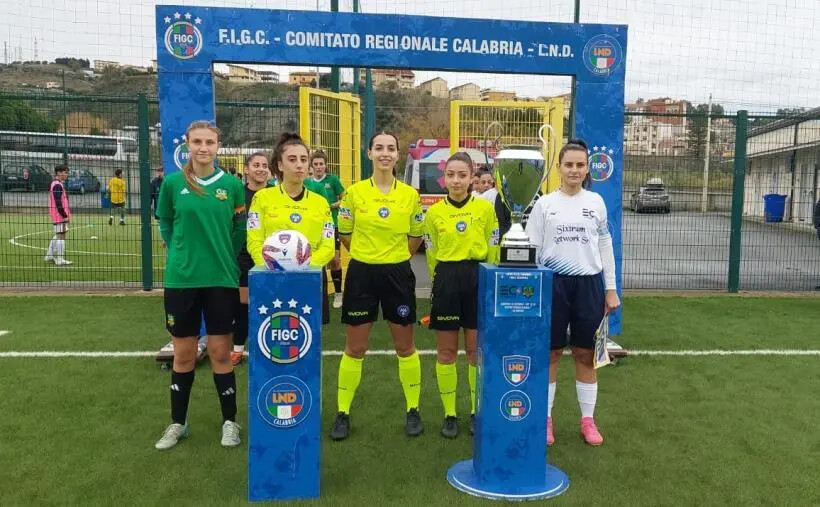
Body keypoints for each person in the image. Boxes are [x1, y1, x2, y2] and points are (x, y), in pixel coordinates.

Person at [154, 120, 246, 451]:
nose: (203, 148)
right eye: (197, 142)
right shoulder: (173, 183)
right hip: (181, 280)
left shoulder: (232, 186)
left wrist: (224, 255)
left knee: (221, 352)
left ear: (218, 146)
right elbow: (164, 220)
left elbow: (239, 230)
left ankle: (230, 422)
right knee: (183, 354)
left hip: (221, 279)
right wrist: (177, 249)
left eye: (209, 142)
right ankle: (177, 423)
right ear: (188, 145)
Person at [330, 132, 425, 441]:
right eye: (379, 148)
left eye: (391, 148)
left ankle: (413, 409)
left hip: (397, 274)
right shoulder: (354, 194)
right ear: (369, 153)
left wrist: (394, 258)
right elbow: (345, 233)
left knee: (404, 346)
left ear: (398, 155)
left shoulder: (410, 195)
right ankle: (342, 412)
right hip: (361, 274)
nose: (385, 153)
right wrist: (369, 255)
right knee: (355, 347)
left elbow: (415, 236)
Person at [525, 138, 620, 447]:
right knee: (550, 353)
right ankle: (545, 420)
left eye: (581, 165)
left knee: (585, 354)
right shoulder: (544, 204)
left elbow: (605, 245)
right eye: (569, 164)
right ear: (559, 168)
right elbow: (532, 248)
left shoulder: (596, 202)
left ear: (587, 168)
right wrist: (532, 290)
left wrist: (611, 289)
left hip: (589, 285)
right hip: (553, 284)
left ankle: (588, 421)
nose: (575, 170)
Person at [424, 152, 499, 438]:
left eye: (462, 175)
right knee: (446, 352)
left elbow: (494, 242)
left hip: (477, 277)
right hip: (447, 280)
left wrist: (489, 276)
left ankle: (475, 412)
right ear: (444, 178)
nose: (456, 180)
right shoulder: (434, 212)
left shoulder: (484, 209)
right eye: (451, 175)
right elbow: (431, 251)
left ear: (472, 178)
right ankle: (449, 414)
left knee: (473, 352)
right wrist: (438, 280)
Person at [246, 134, 335, 325]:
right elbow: (254, 241)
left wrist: (303, 270)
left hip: (309, 280)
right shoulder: (262, 198)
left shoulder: (320, 203)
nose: (299, 165)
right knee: (275, 340)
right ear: (279, 165)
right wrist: (274, 269)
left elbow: (327, 245)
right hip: (272, 280)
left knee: (307, 342)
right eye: (292, 159)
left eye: (304, 160)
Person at [231, 152, 273, 366]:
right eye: (256, 165)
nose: (261, 168)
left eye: (264, 165)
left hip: (274, 258)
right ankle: (238, 349)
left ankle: (268, 348)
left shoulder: (276, 194)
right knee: (244, 305)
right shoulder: (238, 195)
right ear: (246, 169)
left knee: (270, 304)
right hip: (243, 257)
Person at [309, 150, 346, 309]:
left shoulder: (333, 180)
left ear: (326, 165)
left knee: (334, 260)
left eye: (321, 164)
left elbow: (345, 197)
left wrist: (333, 205)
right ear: (311, 165)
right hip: (313, 225)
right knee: (315, 259)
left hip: (332, 224)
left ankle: (338, 293)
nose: (318, 167)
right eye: (316, 164)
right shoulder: (307, 182)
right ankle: (316, 293)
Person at [44, 165, 72, 266]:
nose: (66, 174)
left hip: (56, 214)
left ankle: (49, 255)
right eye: (65, 172)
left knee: (58, 234)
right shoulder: (57, 185)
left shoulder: (56, 184)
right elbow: (58, 202)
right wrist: (64, 215)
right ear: (59, 173)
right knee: (62, 235)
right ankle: (60, 259)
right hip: (59, 215)